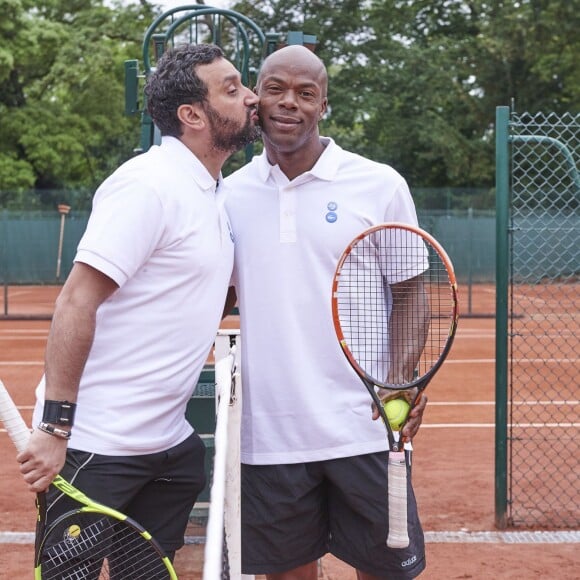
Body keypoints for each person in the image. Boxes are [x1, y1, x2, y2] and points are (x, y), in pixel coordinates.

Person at [17, 43, 260, 564]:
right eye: (233, 89)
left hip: (169, 450)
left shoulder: (214, 191)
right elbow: (77, 302)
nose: (252, 98)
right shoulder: (147, 187)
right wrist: (56, 429)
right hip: (92, 449)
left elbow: (189, 299)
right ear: (192, 115)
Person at [225, 45, 428, 579]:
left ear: (324, 106)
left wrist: (400, 379)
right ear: (255, 98)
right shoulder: (227, 194)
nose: (289, 103)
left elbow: (410, 289)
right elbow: (215, 295)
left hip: (364, 426)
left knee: (386, 572)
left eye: (305, 93)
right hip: (268, 434)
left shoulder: (379, 184)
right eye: (276, 89)